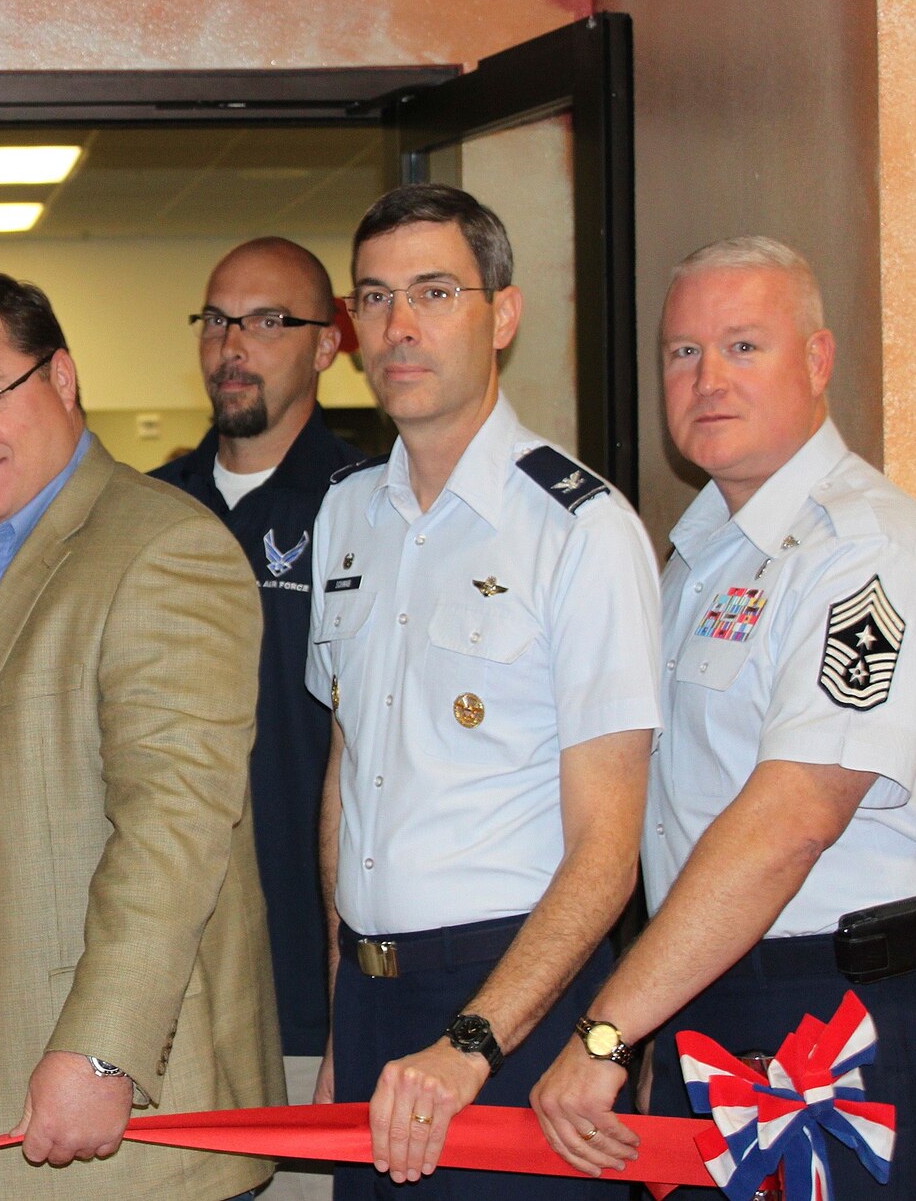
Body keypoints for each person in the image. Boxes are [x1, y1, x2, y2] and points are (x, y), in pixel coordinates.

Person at [0, 272, 285, 1201]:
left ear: (65, 378)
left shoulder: (164, 547)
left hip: (117, 1124)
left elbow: (174, 829)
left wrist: (101, 1051)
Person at [530, 237, 916, 1197]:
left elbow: (788, 825)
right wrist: (661, 1016)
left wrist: (610, 1030)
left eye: (743, 346)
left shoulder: (857, 553)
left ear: (818, 361)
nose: (707, 378)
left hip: (834, 1018)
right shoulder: (702, 550)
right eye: (682, 352)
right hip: (714, 991)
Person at [306, 185, 660, 1198]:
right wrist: (343, 1014)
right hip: (371, 1000)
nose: (397, 327)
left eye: (432, 292)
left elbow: (606, 850)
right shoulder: (345, 516)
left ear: (500, 314)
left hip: (513, 1012)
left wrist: (470, 1042)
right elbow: (349, 770)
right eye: (371, 299)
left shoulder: (576, 530)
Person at [151, 238, 362, 1201]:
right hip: (161, 1008)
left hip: (301, 1010)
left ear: (328, 345)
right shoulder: (150, 511)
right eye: (218, 318)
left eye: (270, 320)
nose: (234, 344)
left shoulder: (371, 508)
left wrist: (347, 1018)